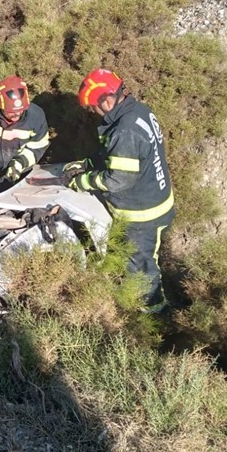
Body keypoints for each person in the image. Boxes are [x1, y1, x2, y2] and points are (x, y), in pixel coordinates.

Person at [68, 68, 175, 312]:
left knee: (142, 269)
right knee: (139, 259)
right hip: (152, 202)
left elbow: (119, 180)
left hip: (143, 215)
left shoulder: (124, 130)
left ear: (106, 101)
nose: (92, 113)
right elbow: (123, 157)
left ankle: (153, 316)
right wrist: (88, 165)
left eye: (92, 108)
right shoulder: (139, 112)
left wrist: (82, 182)